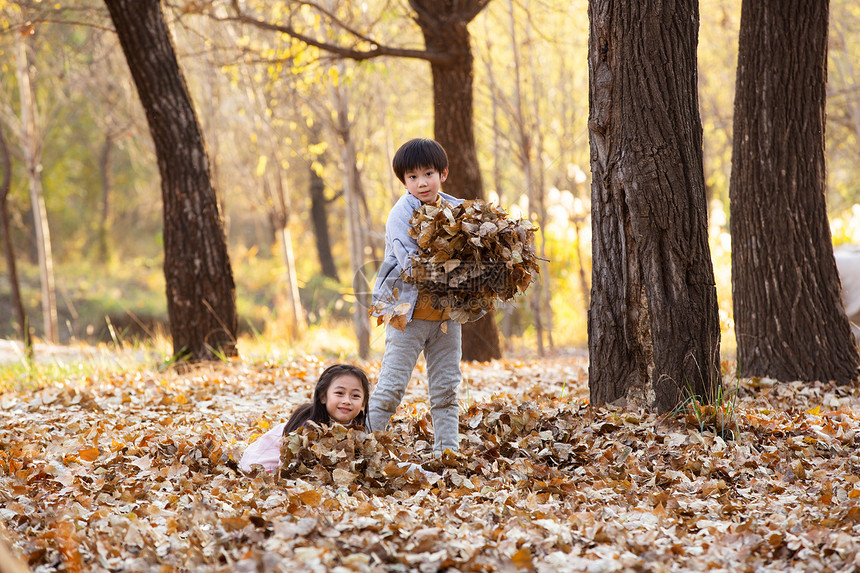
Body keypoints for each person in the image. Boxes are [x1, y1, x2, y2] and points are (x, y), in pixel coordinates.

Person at [368, 138, 469, 456]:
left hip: (446, 319)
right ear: (404, 181)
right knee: (391, 388)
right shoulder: (401, 214)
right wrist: (457, 267)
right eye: (412, 177)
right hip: (406, 317)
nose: (422, 182)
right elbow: (411, 264)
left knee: (446, 389)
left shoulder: (458, 211)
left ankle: (447, 452)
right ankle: (363, 447)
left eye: (428, 173)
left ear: (444, 173)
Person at [239, 364, 370, 473]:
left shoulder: (358, 430)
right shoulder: (308, 424)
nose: (347, 401)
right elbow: (286, 463)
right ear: (323, 397)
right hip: (262, 464)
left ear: (363, 403)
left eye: (355, 396)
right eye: (339, 393)